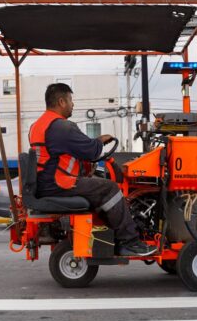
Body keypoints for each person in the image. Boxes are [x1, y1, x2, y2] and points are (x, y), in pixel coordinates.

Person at [29, 83, 154, 256]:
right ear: (61, 101)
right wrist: (100, 140)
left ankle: (113, 234)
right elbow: (90, 151)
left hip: (46, 182)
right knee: (110, 188)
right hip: (59, 183)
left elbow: (69, 153)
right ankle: (129, 242)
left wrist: (93, 146)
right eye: (71, 100)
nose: (73, 104)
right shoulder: (61, 127)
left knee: (99, 185)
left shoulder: (38, 125)